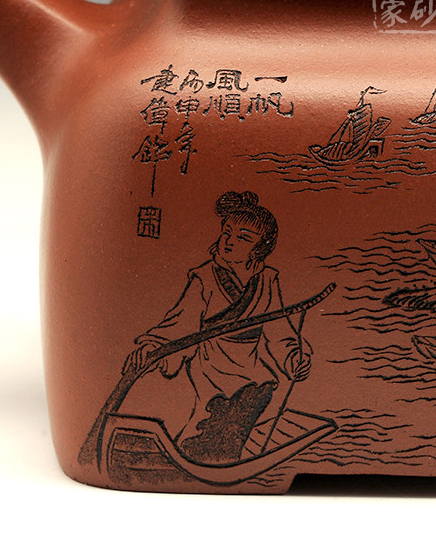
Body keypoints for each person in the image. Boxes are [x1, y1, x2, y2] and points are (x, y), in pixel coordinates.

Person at [124, 191, 311, 463]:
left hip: (252, 370)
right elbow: (180, 323)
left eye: (243, 238)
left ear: (260, 248)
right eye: (227, 233)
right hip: (212, 367)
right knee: (208, 422)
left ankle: (222, 464)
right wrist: (153, 347)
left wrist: (293, 358)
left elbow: (278, 330)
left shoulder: (267, 280)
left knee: (248, 409)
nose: (230, 241)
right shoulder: (205, 278)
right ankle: (192, 463)